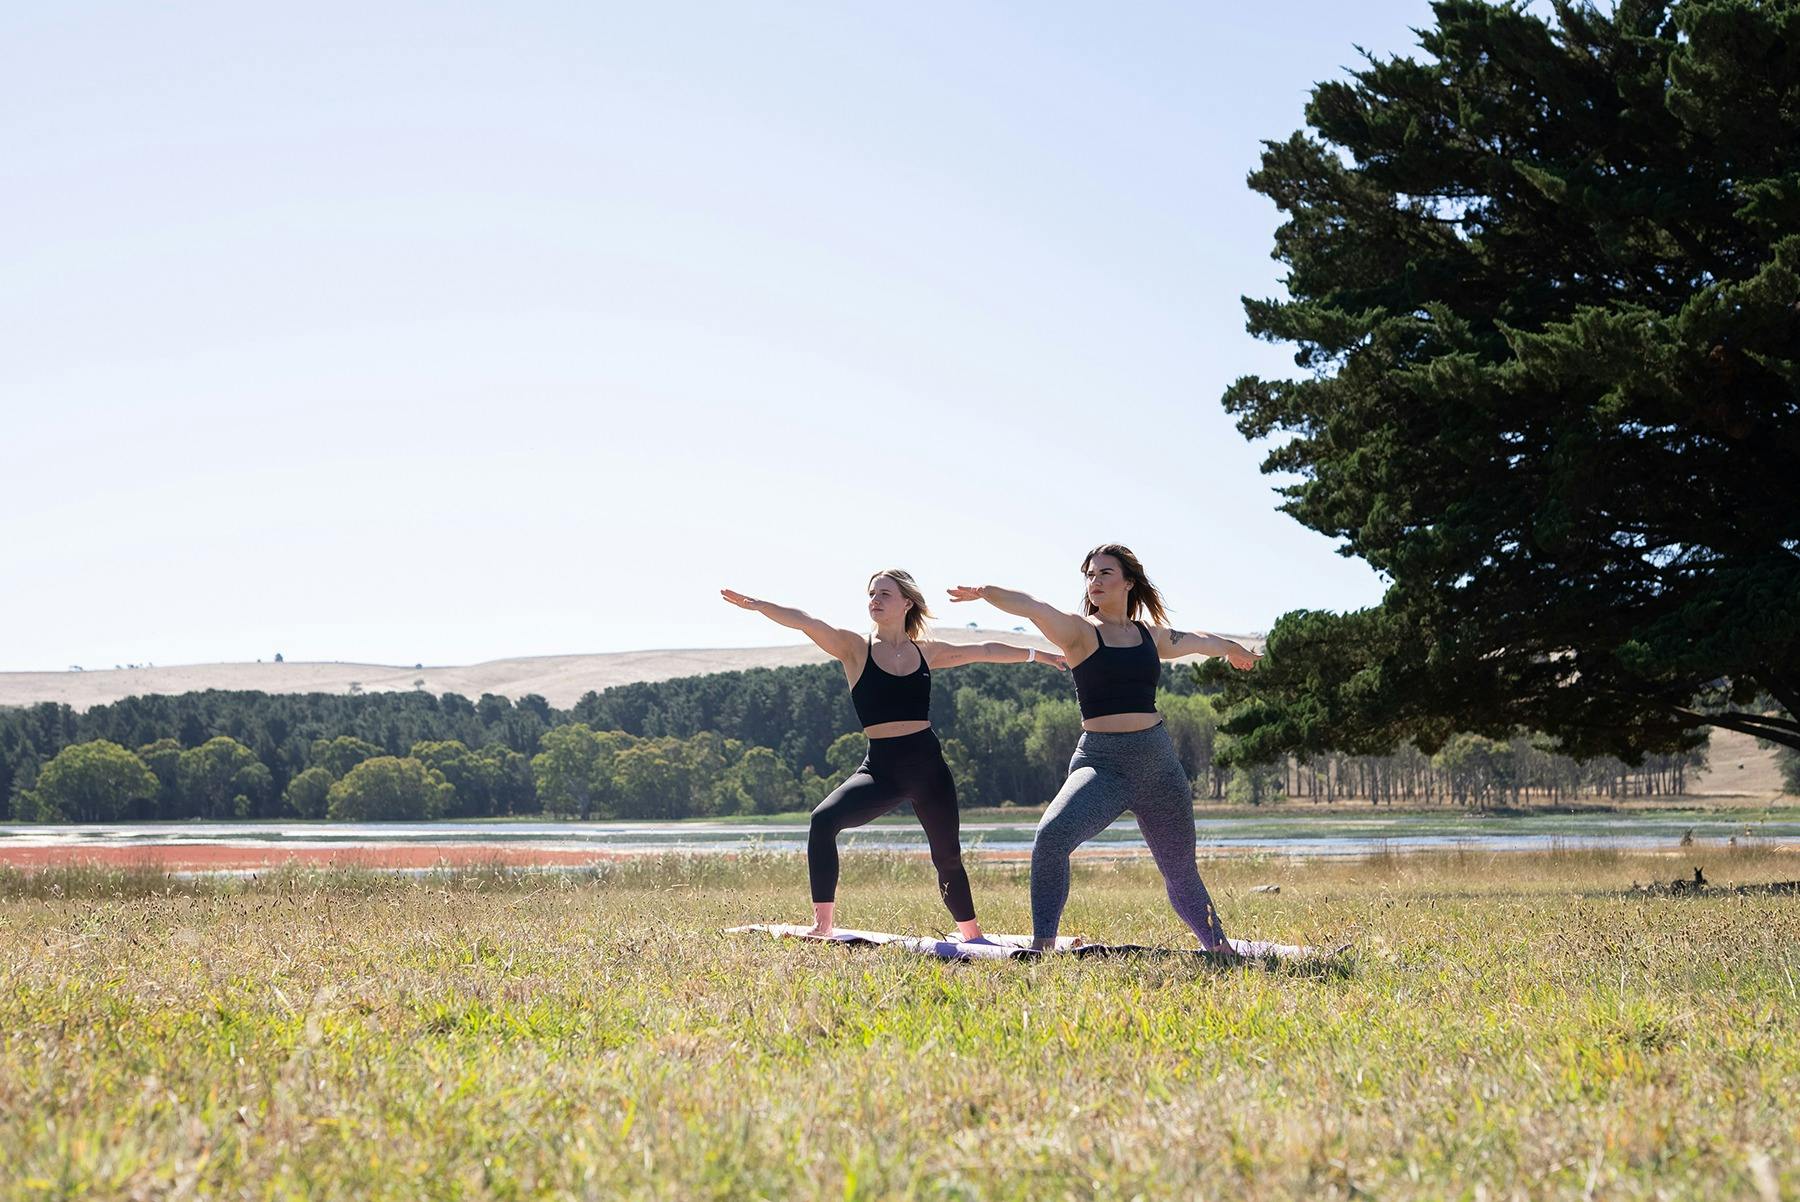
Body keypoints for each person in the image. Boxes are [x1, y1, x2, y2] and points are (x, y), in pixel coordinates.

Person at [722, 569, 1066, 939]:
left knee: (947, 858)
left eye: (885, 593)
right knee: (823, 821)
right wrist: (759, 606)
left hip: (929, 769)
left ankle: (971, 935)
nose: (875, 600)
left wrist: (1040, 655)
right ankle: (822, 926)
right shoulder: (854, 649)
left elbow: (984, 652)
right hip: (881, 770)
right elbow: (807, 622)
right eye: (872, 593)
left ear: (907, 602)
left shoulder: (926, 652)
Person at [948, 544, 1259, 952]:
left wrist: (1234, 650)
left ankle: (1218, 949)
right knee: (1051, 838)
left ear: (1128, 581)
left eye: (1104, 573)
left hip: (1158, 764)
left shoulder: (1149, 635)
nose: (1094, 581)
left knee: (1180, 869)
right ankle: (1043, 947)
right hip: (1103, 763)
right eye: (1090, 575)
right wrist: (985, 591)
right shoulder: (1080, 632)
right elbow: (1034, 607)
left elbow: (1198, 640)